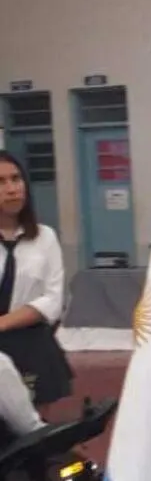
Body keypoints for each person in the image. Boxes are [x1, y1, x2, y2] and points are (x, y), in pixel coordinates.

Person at [0, 152, 71, 410]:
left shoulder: (45, 237)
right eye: (1, 182)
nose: (11, 189)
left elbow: (53, 300)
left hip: (30, 346)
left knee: (34, 434)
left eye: (16, 179)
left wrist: (3, 323)